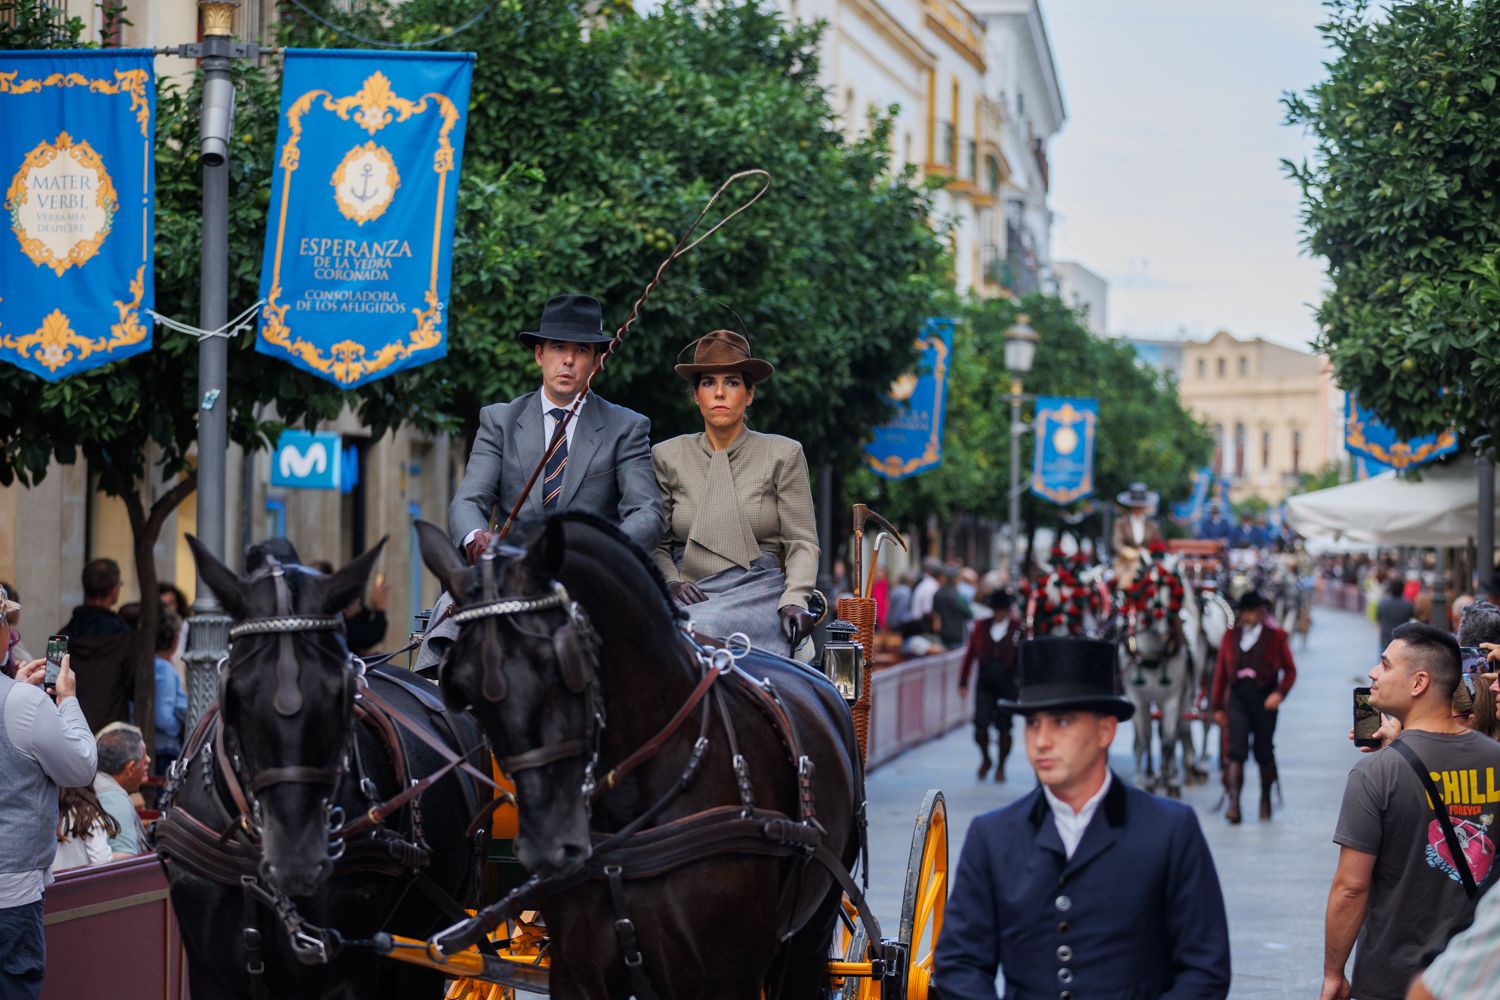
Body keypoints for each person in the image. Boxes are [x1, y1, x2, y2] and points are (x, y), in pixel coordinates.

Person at [934, 636, 1231, 998]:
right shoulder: (992, 836)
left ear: (1106, 730)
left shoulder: (1170, 830)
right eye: (1032, 723)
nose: (1041, 741)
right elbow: (960, 963)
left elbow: (1205, 968)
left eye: (1061, 722)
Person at [1320, 623, 1500, 1000]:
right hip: (1479, 974)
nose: (1373, 673)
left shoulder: (1375, 773)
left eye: (1385, 665)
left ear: (1418, 683)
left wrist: (1333, 973)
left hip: (1391, 979)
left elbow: (1351, 888)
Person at [449, 293, 665, 561]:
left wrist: (605, 550)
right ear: (539, 354)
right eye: (558, 347)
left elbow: (647, 512)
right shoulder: (499, 422)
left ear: (597, 363)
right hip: (511, 570)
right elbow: (468, 501)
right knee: (446, 603)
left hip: (588, 570)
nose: (569, 360)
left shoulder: (627, 428)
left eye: (582, 350)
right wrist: (476, 537)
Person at [651, 330, 818, 656]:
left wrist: (795, 599)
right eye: (708, 383)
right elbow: (657, 543)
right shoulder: (667, 455)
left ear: (750, 393)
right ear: (696, 395)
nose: (719, 394)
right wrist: (670, 581)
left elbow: (802, 543)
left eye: (732, 382)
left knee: (701, 629)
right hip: (689, 590)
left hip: (758, 590)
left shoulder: (784, 453)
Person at [0, 653, 96, 1000]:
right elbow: (81, 766)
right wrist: (67, 700)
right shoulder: (25, 703)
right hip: (9, 891)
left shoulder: (21, 701)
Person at [1210, 590, 1297, 823]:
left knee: (1263, 751)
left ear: (1260, 612)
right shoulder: (1230, 637)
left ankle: (1265, 799)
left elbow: (1290, 670)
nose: (1247, 616)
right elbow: (1220, 673)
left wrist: (1279, 693)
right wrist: (1217, 706)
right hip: (1238, 698)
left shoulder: (1276, 637)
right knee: (1235, 751)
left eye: (1252, 612)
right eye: (1245, 612)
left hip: (1264, 699)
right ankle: (1234, 804)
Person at [56, 558, 136, 733]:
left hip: (69, 733)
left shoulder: (60, 637)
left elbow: (50, 684)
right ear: (114, 589)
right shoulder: (127, 638)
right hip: (110, 738)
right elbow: (136, 689)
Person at [957, 588, 1020, 781]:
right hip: (985, 681)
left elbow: (1023, 658)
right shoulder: (981, 626)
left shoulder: (1017, 628)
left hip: (1007, 681)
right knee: (980, 725)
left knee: (1004, 726)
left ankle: (1001, 765)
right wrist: (963, 681)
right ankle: (986, 759)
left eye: (1002, 609)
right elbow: (970, 654)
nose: (999, 613)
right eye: (996, 609)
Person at [92, 723, 149, 858]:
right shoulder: (114, 799)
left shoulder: (98, 783)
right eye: (144, 757)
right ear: (130, 768)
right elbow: (123, 862)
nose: (148, 760)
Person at [151, 608, 188, 776]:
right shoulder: (164, 668)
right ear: (173, 639)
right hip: (164, 749)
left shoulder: (156, 664)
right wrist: (178, 729)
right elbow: (163, 716)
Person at [51, 785, 119, 873]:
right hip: (84, 883)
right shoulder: (88, 816)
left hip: (53, 884)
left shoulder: (46, 817)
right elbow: (102, 861)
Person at [932, 567, 972, 649]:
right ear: (955, 579)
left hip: (941, 634)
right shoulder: (958, 596)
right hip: (956, 634)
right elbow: (969, 614)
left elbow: (935, 614)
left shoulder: (938, 593)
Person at [1376, 577, 1415, 654]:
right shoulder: (1408, 604)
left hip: (1385, 638)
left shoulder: (1382, 603)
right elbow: (1411, 619)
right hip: (1401, 640)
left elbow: (1378, 620)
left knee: (1383, 661)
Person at [906, 558, 942, 638]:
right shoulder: (931, 585)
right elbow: (927, 609)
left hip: (917, 623)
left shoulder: (925, 583)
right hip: (922, 626)